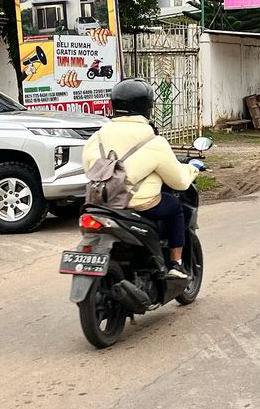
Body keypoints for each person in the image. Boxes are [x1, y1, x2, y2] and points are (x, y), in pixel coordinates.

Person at [82, 79, 200, 279]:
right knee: (175, 209)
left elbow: (89, 167)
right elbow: (178, 182)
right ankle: (176, 264)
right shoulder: (153, 141)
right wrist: (192, 169)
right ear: (147, 107)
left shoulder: (98, 136)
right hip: (139, 204)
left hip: (101, 202)